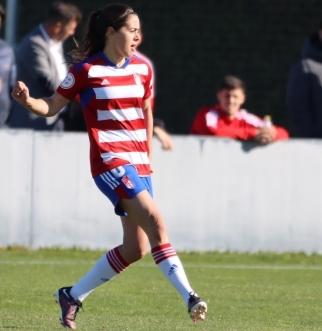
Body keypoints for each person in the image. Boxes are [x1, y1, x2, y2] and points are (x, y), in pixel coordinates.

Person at [11, 4, 207, 329]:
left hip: (138, 163)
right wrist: (27, 100)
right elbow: (51, 106)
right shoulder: (86, 70)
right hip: (109, 161)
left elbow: (145, 113)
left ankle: (71, 295)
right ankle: (191, 297)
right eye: (132, 29)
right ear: (112, 33)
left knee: (136, 248)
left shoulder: (142, 69)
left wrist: (146, 158)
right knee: (157, 223)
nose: (138, 36)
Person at [8, 1, 82, 131]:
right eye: (70, 28)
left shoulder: (55, 43)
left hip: (55, 120)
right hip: (34, 125)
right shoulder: (33, 45)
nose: (72, 33)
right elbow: (46, 83)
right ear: (58, 26)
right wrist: (79, 90)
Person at [190, 75, 289, 144]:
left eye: (235, 97)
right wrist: (253, 134)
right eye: (227, 96)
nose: (231, 101)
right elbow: (214, 134)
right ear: (218, 96)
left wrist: (269, 135)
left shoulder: (246, 118)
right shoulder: (207, 113)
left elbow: (283, 134)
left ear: (243, 99)